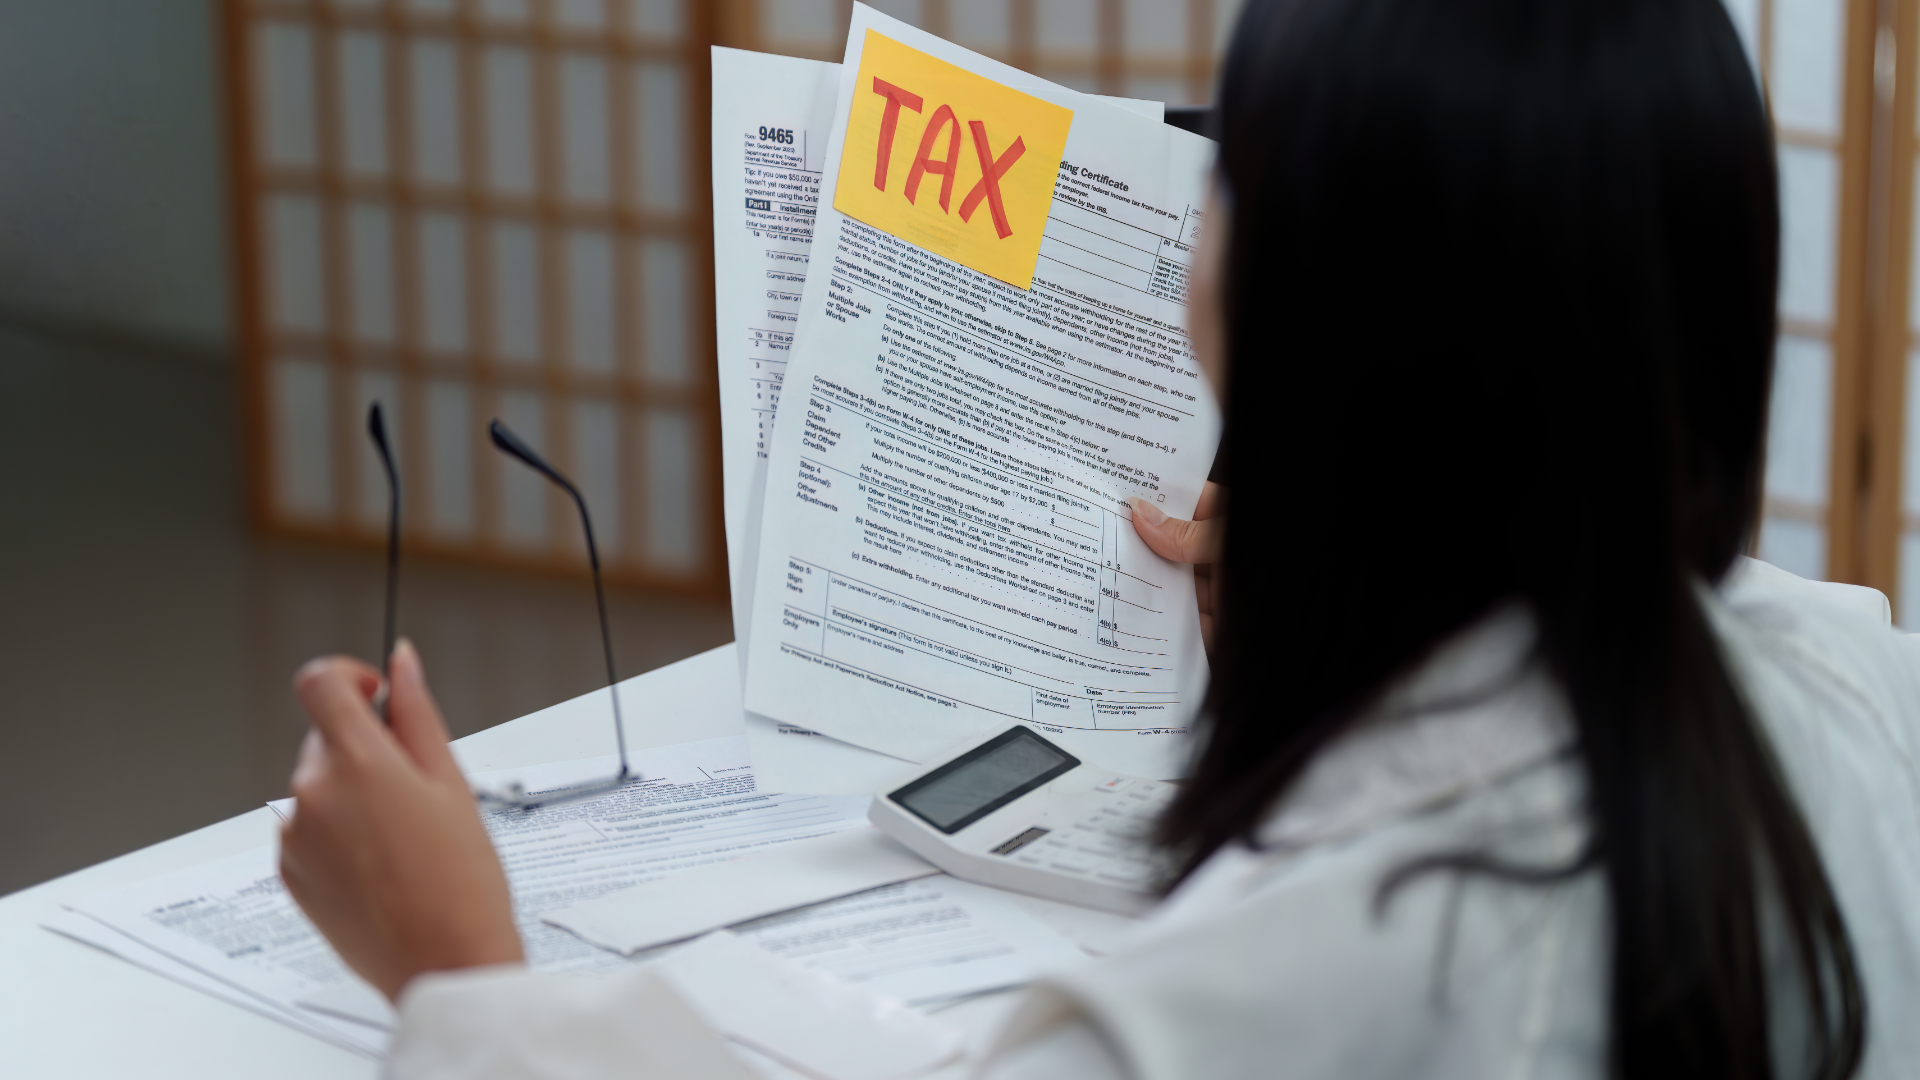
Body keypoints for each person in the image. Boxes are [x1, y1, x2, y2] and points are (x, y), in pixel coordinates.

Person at [279, 0, 1920, 1076]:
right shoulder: (1855, 696)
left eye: (1234, 160)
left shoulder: (1290, 991)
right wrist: (1366, 583)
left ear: (1320, 312)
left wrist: (465, 975)